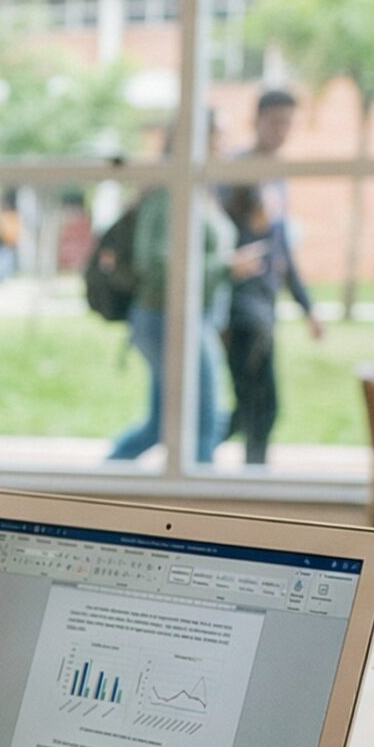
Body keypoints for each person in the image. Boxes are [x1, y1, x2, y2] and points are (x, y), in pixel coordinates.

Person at [111, 115, 241, 463]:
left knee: (159, 426)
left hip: (185, 317)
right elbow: (157, 260)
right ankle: (198, 513)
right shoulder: (171, 193)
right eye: (219, 140)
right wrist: (227, 266)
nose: (225, 149)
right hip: (167, 316)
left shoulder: (199, 192)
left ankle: (96, 486)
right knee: (205, 422)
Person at [217, 87, 325, 466]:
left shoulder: (278, 177)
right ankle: (245, 480)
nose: (282, 130)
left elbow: (282, 248)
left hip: (264, 303)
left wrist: (307, 306)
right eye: (275, 121)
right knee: (258, 406)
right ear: (257, 121)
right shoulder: (235, 171)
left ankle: (198, 452)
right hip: (238, 306)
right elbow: (215, 238)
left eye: (288, 123)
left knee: (254, 407)